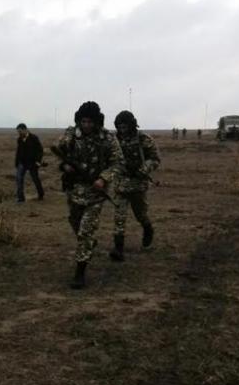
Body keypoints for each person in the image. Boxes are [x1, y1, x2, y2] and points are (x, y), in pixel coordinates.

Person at [53, 101, 121, 289]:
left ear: (97, 121)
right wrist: (64, 166)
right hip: (74, 190)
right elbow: (57, 151)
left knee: (85, 232)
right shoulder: (71, 134)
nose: (87, 125)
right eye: (83, 121)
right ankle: (90, 243)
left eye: (90, 122)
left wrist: (103, 179)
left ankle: (80, 273)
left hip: (95, 193)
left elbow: (117, 163)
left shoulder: (107, 138)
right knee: (75, 222)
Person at [109, 110, 161, 262]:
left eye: (125, 126)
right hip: (120, 186)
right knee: (119, 217)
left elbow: (155, 159)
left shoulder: (143, 139)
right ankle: (118, 249)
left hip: (138, 186)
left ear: (131, 125)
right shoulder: (114, 140)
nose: (122, 129)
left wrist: (143, 169)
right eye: (120, 127)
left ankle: (148, 229)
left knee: (141, 215)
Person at [14, 123, 45, 202]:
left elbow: (40, 150)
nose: (19, 133)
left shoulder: (34, 138)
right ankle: (21, 198)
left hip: (32, 163)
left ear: (25, 130)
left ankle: (41, 194)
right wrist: (17, 162)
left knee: (35, 179)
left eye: (20, 131)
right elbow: (18, 151)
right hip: (22, 163)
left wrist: (38, 161)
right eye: (18, 132)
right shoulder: (19, 139)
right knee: (19, 178)